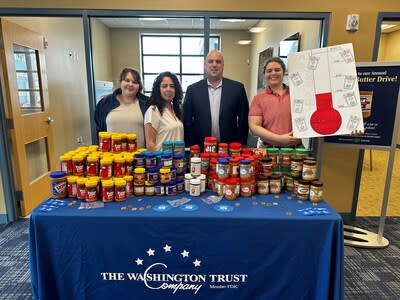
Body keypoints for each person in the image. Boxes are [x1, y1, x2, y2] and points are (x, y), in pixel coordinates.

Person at [183, 50, 249, 149]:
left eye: (218, 62)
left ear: (223, 65)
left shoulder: (237, 88)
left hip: (230, 148)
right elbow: (187, 120)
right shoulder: (193, 90)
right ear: (205, 65)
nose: (214, 65)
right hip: (200, 148)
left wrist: (239, 143)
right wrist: (192, 144)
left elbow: (243, 119)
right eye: (210, 61)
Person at [248, 57, 302, 147]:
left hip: (296, 149)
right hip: (268, 149)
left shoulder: (297, 94)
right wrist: (280, 139)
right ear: (264, 74)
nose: (273, 73)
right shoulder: (259, 98)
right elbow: (254, 126)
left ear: (284, 72)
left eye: (277, 70)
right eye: (269, 71)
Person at [94, 68, 149, 148]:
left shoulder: (147, 104)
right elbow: (99, 131)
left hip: (139, 157)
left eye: (135, 82)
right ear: (120, 82)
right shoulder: (104, 103)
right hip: (111, 157)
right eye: (127, 80)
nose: (130, 84)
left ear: (139, 86)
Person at [144, 71, 184, 151]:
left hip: (178, 160)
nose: (168, 89)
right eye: (164, 86)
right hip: (163, 161)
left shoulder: (176, 110)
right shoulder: (153, 110)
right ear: (158, 89)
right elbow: (150, 144)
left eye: (172, 86)